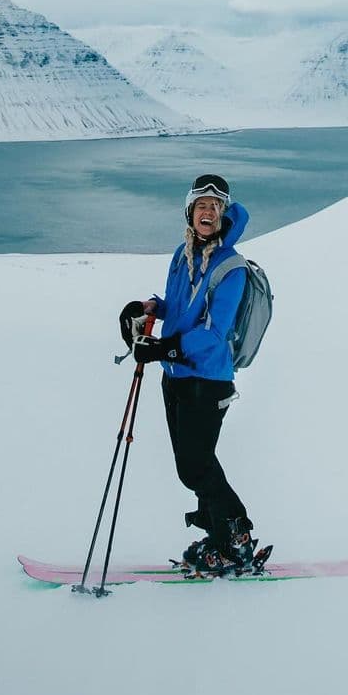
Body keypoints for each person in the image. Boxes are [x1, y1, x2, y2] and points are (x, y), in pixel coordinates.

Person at [118, 174, 259, 575]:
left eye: (216, 206)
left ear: (224, 214)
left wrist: (166, 347)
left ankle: (236, 537)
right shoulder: (182, 256)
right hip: (175, 375)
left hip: (209, 378)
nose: (208, 211)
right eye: (201, 205)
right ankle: (220, 536)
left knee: (196, 465)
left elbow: (215, 332)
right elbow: (179, 309)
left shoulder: (232, 267)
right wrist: (150, 308)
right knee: (192, 465)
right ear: (190, 211)